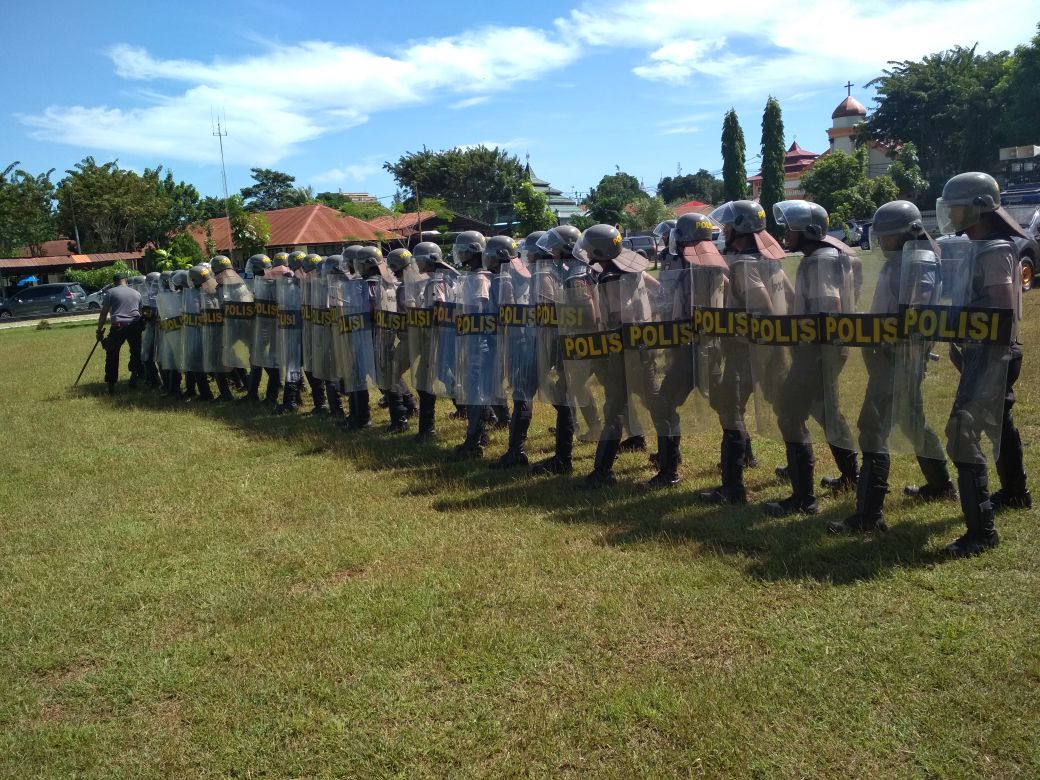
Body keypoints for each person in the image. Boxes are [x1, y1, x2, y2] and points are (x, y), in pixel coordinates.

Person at [828, 201, 955, 534]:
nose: (882, 243)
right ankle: (941, 485)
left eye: (887, 237)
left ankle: (870, 515)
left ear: (906, 234)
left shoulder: (919, 263)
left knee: (872, 427)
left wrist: (895, 338)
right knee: (911, 421)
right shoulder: (898, 261)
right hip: (889, 355)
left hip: (900, 358)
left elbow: (919, 310)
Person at [934, 172, 1029, 555]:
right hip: (989, 351)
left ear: (978, 209)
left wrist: (957, 325)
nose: (952, 216)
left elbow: (998, 311)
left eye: (958, 208)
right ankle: (1016, 492)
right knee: (1001, 423)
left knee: (963, 431)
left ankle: (982, 532)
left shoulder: (993, 248)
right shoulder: (981, 245)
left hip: (992, 353)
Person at [764, 200, 859, 517]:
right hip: (826, 350)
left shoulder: (818, 261)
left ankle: (804, 497)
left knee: (790, 414)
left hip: (816, 351)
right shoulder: (826, 256)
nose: (785, 232)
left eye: (791, 227)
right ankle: (852, 477)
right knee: (827, 412)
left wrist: (808, 345)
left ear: (810, 231)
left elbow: (827, 305)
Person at [95, 272, 144, 395]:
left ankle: (111, 385)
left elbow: (104, 313)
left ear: (114, 282)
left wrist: (99, 330)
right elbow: (141, 311)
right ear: (126, 281)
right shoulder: (137, 293)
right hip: (135, 324)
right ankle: (134, 375)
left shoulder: (110, 293)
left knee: (112, 353)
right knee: (135, 351)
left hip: (118, 325)